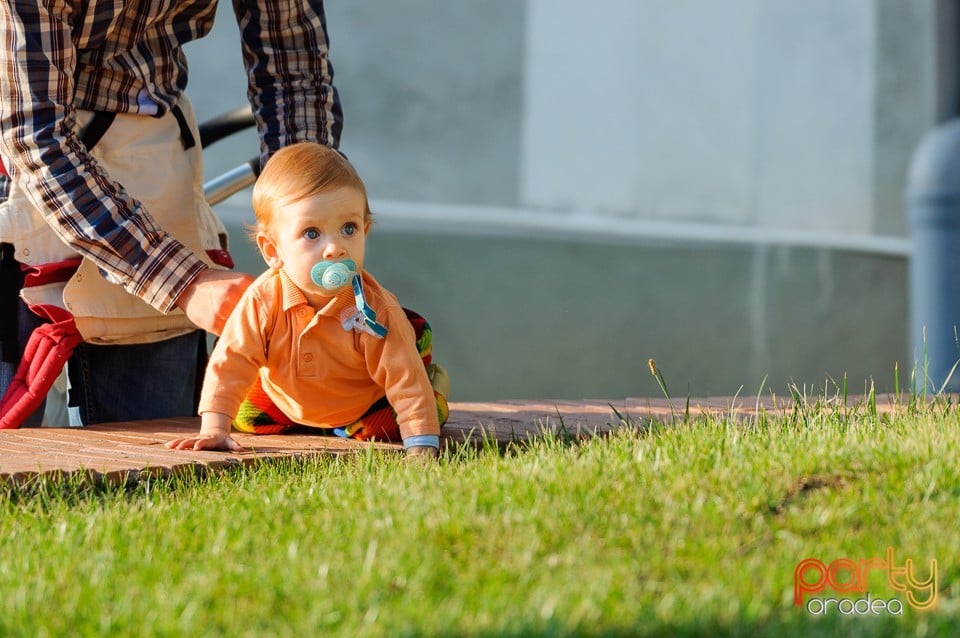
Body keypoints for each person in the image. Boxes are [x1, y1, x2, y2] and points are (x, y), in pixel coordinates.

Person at [0, 1, 342, 426]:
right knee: (10, 453)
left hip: (154, 150)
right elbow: (36, 138)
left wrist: (311, 229)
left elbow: (295, 67)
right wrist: (185, 282)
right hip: (19, 162)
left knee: (157, 456)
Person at [165, 142, 449, 458]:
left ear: (365, 230)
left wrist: (421, 445)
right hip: (285, 403)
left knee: (403, 421)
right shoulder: (262, 301)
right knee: (243, 411)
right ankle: (300, 423)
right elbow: (231, 361)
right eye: (312, 233)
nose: (335, 248)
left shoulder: (372, 309)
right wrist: (215, 429)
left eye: (349, 229)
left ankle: (431, 382)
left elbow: (403, 379)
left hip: (359, 407)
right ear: (272, 250)